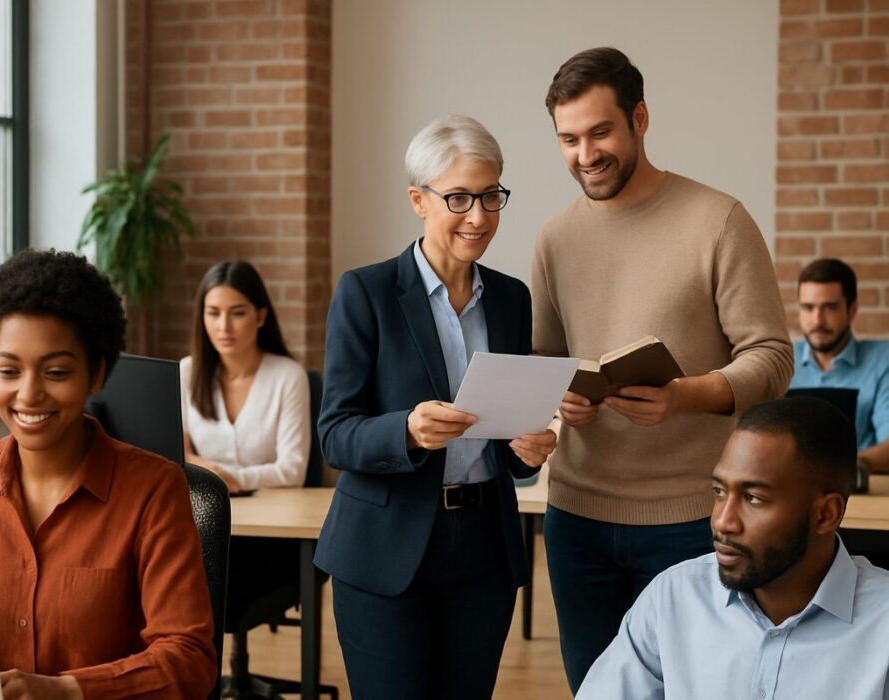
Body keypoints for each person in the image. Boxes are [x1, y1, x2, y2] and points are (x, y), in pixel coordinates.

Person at [531, 46, 794, 691]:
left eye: (600, 132)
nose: (585, 154)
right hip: (577, 520)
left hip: (692, 520)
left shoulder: (719, 221)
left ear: (640, 119)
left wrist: (685, 396)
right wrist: (560, 398)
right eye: (568, 139)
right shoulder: (553, 238)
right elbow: (541, 363)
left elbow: (772, 356)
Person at [0, 250, 217, 700]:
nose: (29, 393)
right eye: (9, 371)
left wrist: (68, 690)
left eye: (56, 371)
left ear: (96, 374)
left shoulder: (153, 489)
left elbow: (189, 658)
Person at [315, 113, 557, 699]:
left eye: (491, 195)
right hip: (385, 549)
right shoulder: (365, 292)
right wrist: (407, 430)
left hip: (483, 547)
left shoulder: (510, 299)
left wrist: (529, 449)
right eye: (459, 198)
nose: (479, 216)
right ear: (418, 201)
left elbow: (510, 442)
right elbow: (335, 434)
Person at [577, 397, 889, 699]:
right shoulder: (672, 598)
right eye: (719, 491)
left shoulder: (881, 622)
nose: (723, 522)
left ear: (826, 514)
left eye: (754, 497)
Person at [178, 259, 309, 620]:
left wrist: (225, 477)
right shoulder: (188, 372)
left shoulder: (288, 376)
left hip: (273, 536)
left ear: (261, 316)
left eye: (237, 313)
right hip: (205, 526)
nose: (223, 326)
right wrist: (209, 471)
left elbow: (293, 469)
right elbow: (178, 452)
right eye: (213, 313)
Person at [790, 258, 889, 474]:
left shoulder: (883, 360)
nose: (817, 320)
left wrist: (848, 467)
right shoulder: (782, 360)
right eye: (808, 308)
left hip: (859, 489)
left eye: (830, 308)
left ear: (852, 310)